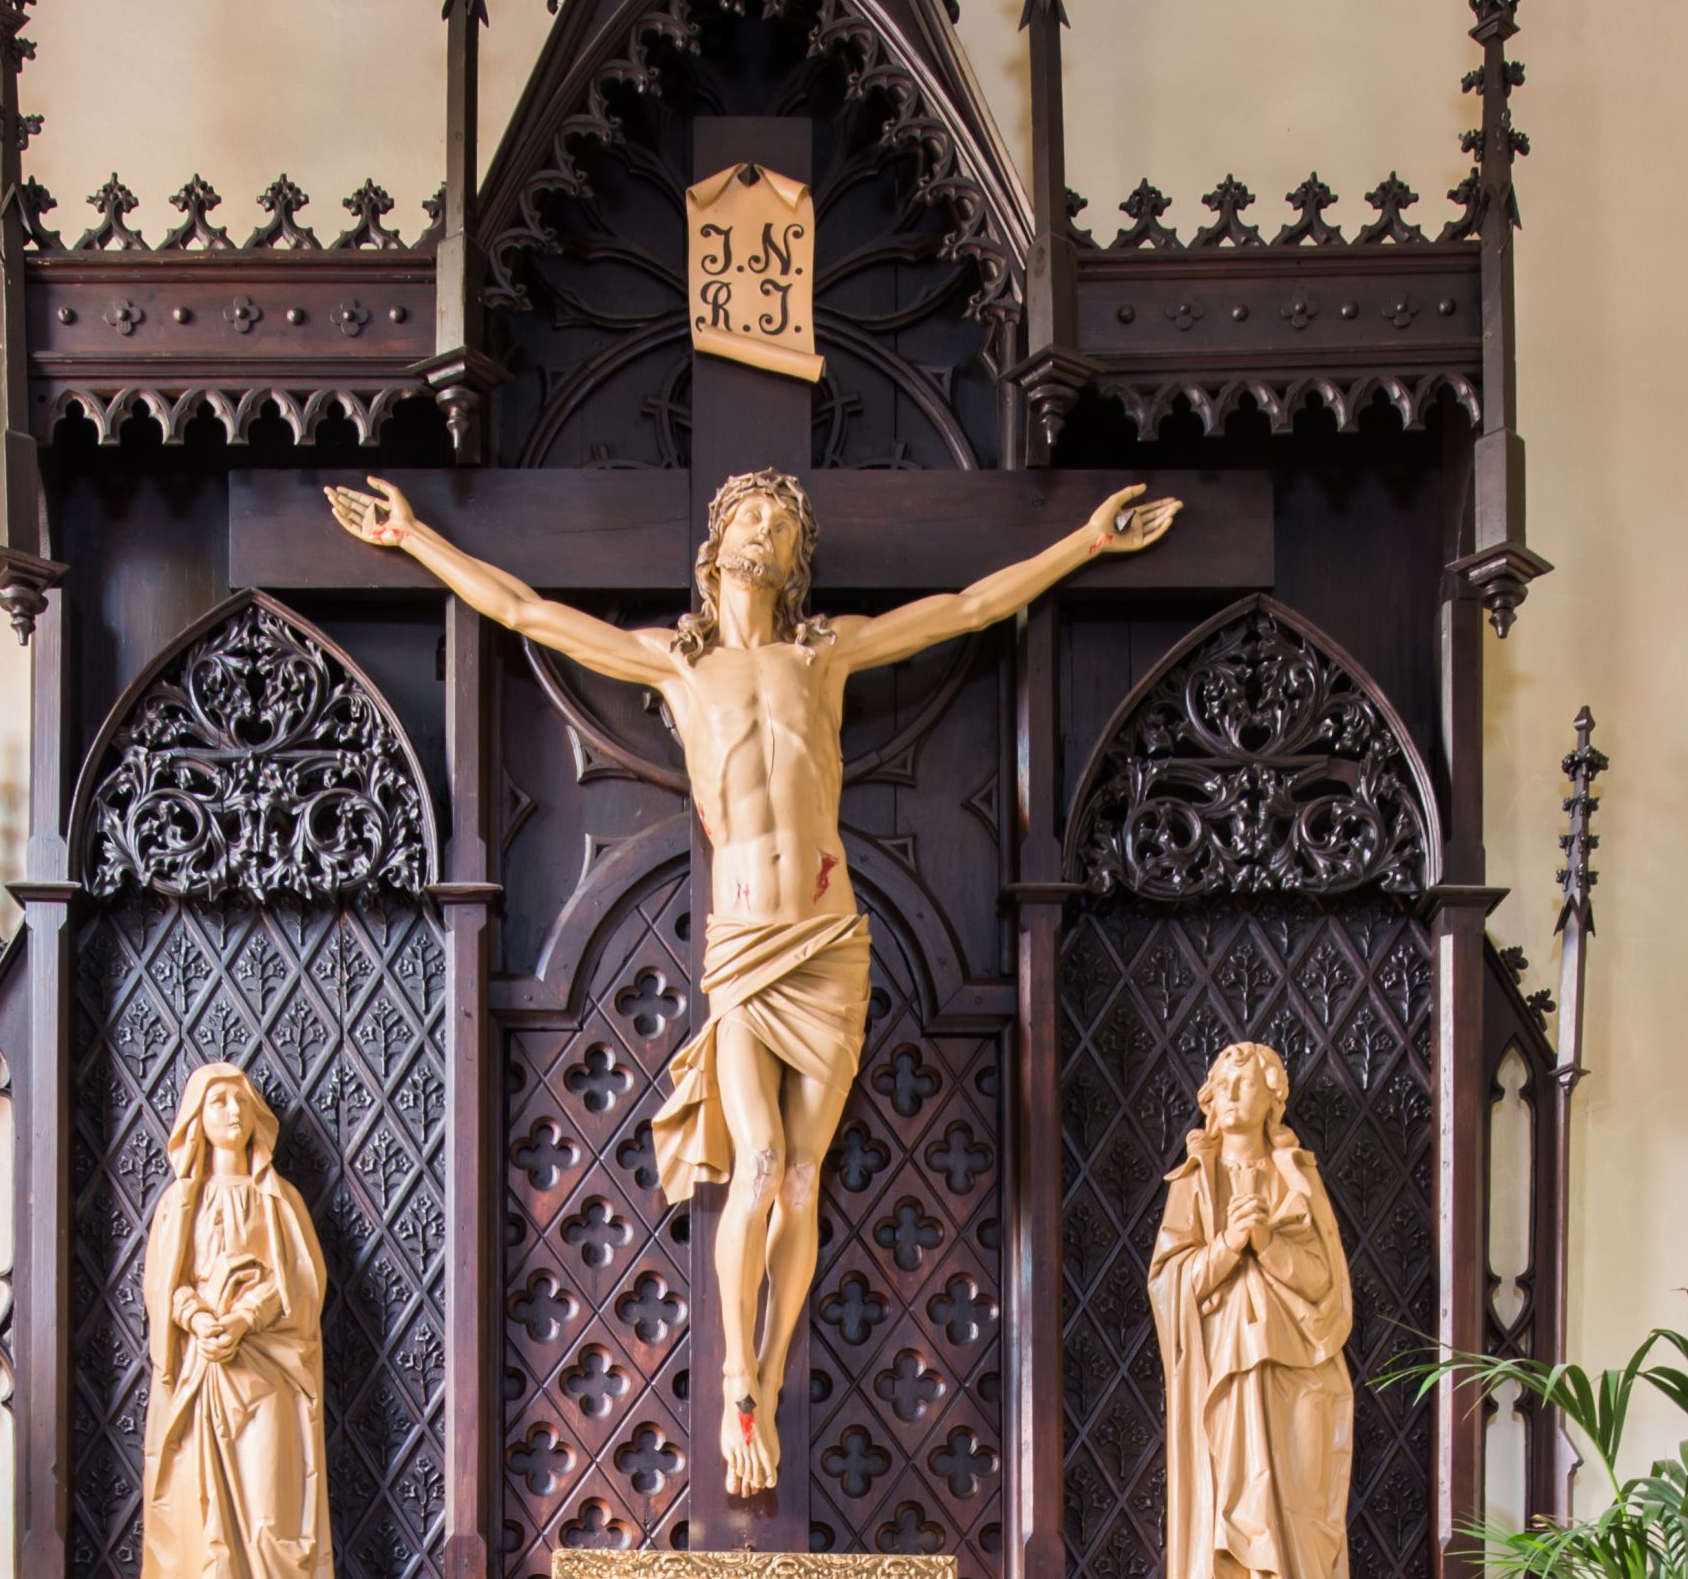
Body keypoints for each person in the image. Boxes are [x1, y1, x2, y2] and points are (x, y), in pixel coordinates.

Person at [328, 459, 1176, 1494]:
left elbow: (966, 609)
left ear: (796, 557)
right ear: (717, 543)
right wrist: (414, 537)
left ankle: (766, 1383)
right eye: (749, 516)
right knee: (761, 1162)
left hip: (828, 939)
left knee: (804, 1174)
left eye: (780, 522)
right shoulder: (677, 666)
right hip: (742, 945)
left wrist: (1087, 541)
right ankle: (737, 1376)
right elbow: (526, 611)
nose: (764, 532)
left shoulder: (826, 654)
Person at [1149, 1040, 1358, 1579]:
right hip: (1223, 1383)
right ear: (1210, 1099)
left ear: (1275, 1100)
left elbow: (1325, 1283)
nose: (1233, 1093)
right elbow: (1170, 1284)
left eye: (1248, 1082)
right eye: (1224, 1083)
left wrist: (1267, 1243)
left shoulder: (1295, 1177)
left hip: (1298, 1376)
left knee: (1296, 1512)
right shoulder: (1193, 1181)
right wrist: (1226, 1246)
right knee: (1234, 1506)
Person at [138, 1059, 333, 1579]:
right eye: (216, 1101)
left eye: (240, 1101)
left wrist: (246, 1317)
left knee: (272, 1519)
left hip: (268, 1375)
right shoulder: (179, 1204)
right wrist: (197, 1318)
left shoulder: (279, 1200)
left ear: (256, 1118)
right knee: (203, 1522)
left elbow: (301, 1282)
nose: (230, 1111)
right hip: (202, 1380)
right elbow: (165, 1285)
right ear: (196, 1119)